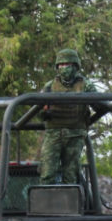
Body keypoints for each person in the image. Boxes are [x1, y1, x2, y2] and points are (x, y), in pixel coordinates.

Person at [39, 48, 97, 184]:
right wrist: (44, 111)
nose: (64, 68)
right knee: (47, 173)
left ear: (75, 66)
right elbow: (38, 108)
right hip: (53, 133)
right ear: (57, 67)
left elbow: (100, 104)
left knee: (71, 175)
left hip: (75, 133)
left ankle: (71, 204)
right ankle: (46, 204)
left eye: (68, 65)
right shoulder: (50, 86)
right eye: (61, 65)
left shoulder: (86, 85)